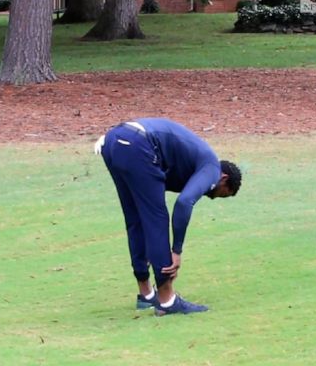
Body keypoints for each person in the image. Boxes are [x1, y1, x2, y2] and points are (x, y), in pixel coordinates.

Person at [94, 118, 242, 316]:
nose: (214, 197)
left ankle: (146, 294)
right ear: (224, 179)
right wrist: (176, 250)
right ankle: (166, 300)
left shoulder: (188, 165)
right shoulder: (212, 167)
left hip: (113, 140)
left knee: (136, 218)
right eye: (223, 193)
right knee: (156, 220)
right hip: (138, 144)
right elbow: (184, 202)